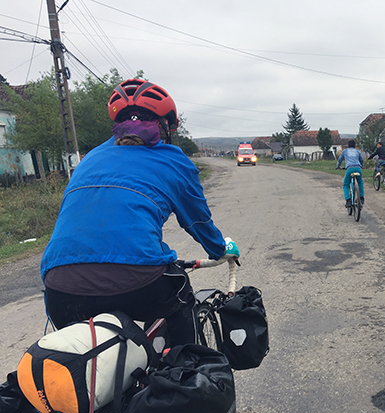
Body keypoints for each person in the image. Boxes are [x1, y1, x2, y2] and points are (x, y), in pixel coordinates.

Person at [40, 78, 239, 345]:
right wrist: (220, 249)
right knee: (180, 297)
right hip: (137, 282)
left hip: (59, 285)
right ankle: (192, 371)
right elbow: (198, 222)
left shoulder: (89, 159)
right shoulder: (175, 160)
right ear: (166, 126)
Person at [337, 139, 365, 207]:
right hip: (358, 168)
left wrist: (338, 166)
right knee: (360, 182)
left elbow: (340, 159)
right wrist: (362, 166)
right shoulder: (357, 151)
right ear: (355, 146)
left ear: (348, 146)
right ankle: (361, 197)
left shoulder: (345, 151)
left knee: (346, 185)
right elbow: (361, 160)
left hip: (350, 169)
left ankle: (348, 200)